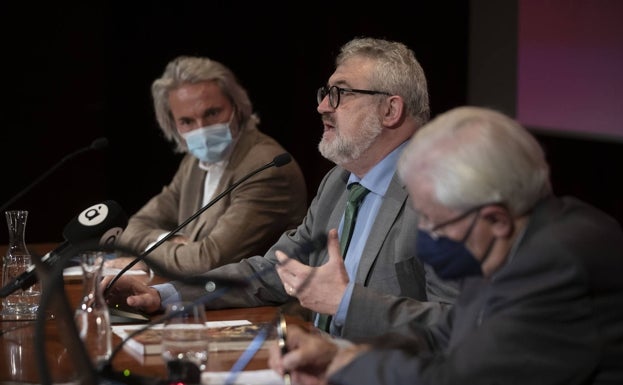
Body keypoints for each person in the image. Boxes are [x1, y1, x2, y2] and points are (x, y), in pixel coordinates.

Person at [105, 37, 459, 340]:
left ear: (390, 109)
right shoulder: (339, 183)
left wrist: (347, 302)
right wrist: (163, 294)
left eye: (341, 94)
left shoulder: (442, 193)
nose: (322, 107)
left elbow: (457, 326)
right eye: (325, 93)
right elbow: (274, 270)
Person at [268, 106, 623, 385]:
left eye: (435, 222)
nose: (424, 233)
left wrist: (346, 368)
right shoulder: (507, 241)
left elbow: (458, 379)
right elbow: (449, 329)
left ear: (496, 219)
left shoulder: (553, 263)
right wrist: (338, 353)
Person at [106, 56, 308, 274]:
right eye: (187, 121)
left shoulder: (266, 167)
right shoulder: (192, 164)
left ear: (237, 107)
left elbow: (209, 260)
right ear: (173, 126)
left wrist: (147, 257)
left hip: (255, 304)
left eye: (212, 113)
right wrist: (171, 241)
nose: (202, 129)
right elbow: (131, 230)